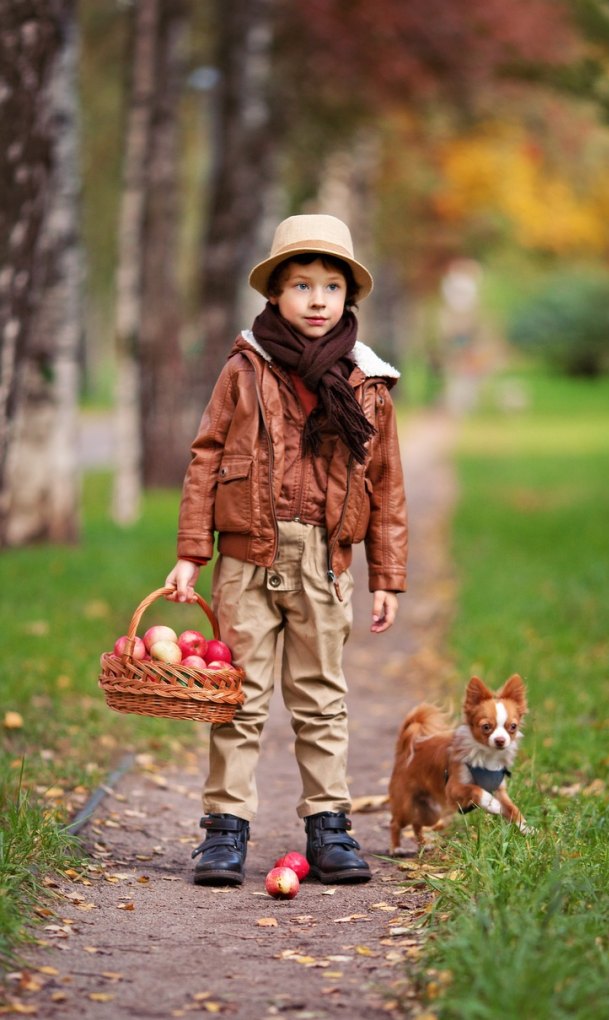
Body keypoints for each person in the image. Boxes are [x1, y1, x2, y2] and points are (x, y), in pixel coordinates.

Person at [165, 214, 408, 886]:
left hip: (325, 564)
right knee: (236, 697)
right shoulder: (245, 369)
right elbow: (204, 459)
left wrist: (384, 574)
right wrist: (193, 552)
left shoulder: (367, 384)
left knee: (321, 697)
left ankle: (328, 828)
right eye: (301, 284)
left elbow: (386, 484)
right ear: (275, 293)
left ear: (347, 299)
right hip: (247, 558)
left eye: (331, 286)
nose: (317, 298)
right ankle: (224, 829)